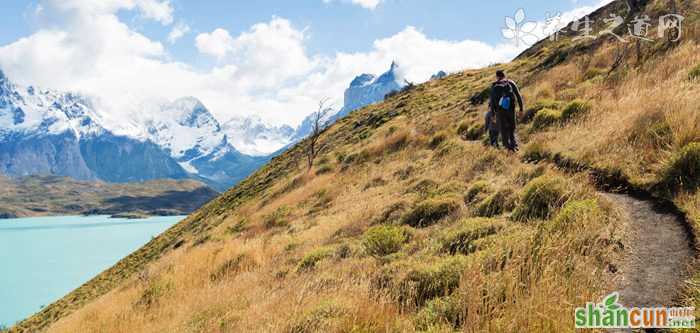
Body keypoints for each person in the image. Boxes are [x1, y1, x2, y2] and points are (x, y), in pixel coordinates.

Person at [488, 70, 523, 151]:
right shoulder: (510, 82)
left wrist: (493, 114)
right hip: (511, 109)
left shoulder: (494, 85)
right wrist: (521, 109)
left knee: (503, 130)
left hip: (500, 112)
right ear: (504, 75)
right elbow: (518, 96)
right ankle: (514, 146)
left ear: (497, 76)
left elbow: (492, 101)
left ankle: (508, 149)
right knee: (512, 128)